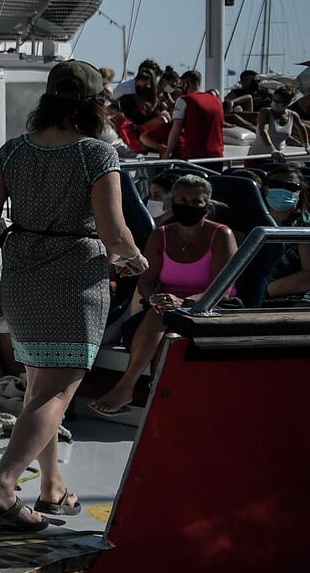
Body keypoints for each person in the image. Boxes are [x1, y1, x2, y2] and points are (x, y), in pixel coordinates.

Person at [0, 60, 147, 530]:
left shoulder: (13, 152)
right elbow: (114, 231)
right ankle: (3, 487)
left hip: (22, 283)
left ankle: (52, 488)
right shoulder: (95, 154)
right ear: (93, 106)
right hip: (73, 283)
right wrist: (136, 261)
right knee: (57, 394)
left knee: (38, 391)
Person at [89, 174, 235, 415]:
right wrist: (153, 297)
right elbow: (146, 281)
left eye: (194, 202)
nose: (187, 206)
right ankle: (147, 397)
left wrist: (183, 302)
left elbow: (224, 289)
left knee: (169, 332)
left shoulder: (221, 235)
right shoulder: (161, 235)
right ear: (172, 201)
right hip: (165, 309)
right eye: (181, 200)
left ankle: (136, 392)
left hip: (212, 307)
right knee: (163, 320)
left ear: (206, 206)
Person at [260, 166, 310, 306]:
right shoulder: (252, 221)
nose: (283, 190)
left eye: (291, 187)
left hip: (291, 296)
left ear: (299, 192)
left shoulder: (305, 226)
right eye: (275, 185)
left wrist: (264, 291)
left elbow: (308, 276)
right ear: (265, 188)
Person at [167, 70, 225, 161]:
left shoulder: (184, 100)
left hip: (195, 156)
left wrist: (167, 153)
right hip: (217, 156)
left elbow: (176, 130)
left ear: (185, 84)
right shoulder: (216, 100)